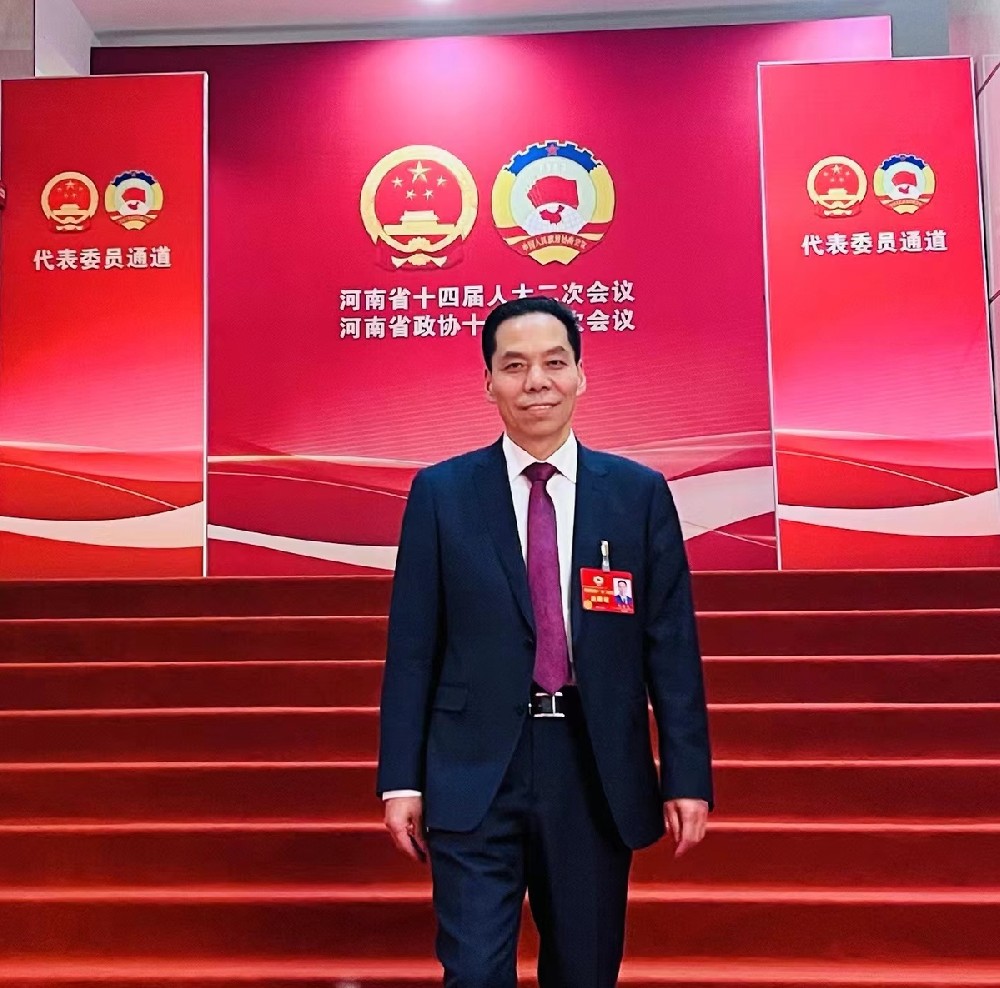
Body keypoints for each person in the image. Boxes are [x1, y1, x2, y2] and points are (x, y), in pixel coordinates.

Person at [377, 296, 712, 988]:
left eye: (554, 363)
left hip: (592, 766)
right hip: (473, 767)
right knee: (473, 972)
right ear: (488, 383)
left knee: (584, 971)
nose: (537, 381)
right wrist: (401, 780)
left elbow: (671, 647)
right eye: (515, 366)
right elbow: (412, 649)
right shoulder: (441, 494)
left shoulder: (637, 494)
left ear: (581, 375)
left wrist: (686, 776)